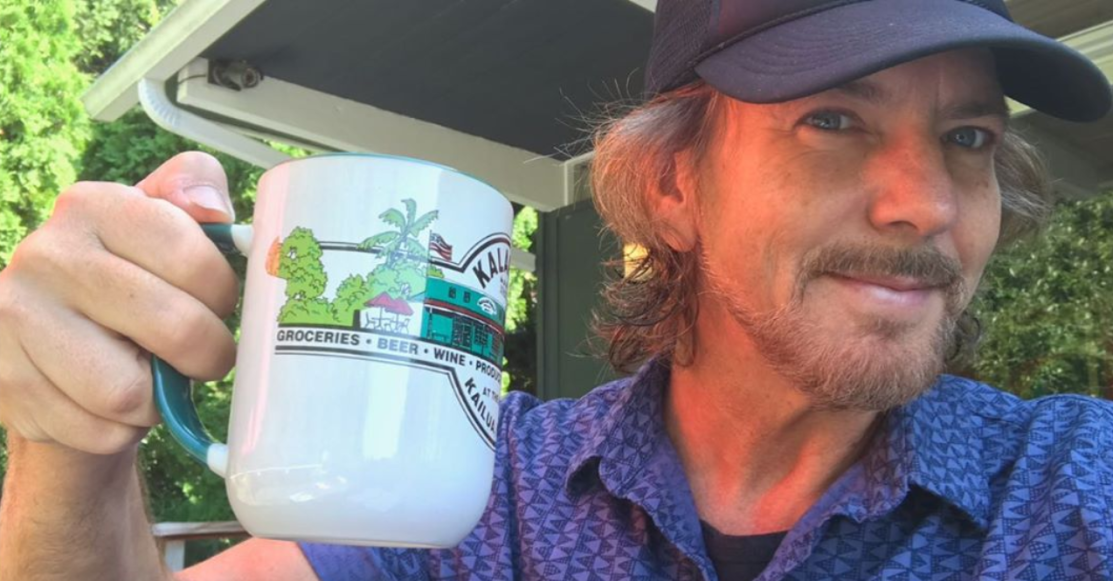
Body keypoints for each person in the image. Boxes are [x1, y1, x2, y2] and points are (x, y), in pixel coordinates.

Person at [1, 0, 1111, 579]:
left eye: (968, 137)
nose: (926, 201)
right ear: (672, 187)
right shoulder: (477, 486)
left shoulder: (1071, 484)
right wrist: (67, 441)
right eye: (833, 120)